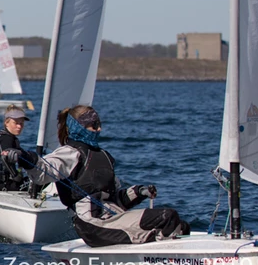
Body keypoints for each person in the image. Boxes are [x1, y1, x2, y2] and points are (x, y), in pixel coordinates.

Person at [28, 105, 190, 247]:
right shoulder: (69, 153)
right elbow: (42, 172)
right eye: (93, 125)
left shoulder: (104, 156)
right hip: (93, 225)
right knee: (166, 216)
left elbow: (116, 200)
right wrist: (26, 158)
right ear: (78, 127)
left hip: (112, 219)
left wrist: (139, 192)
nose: (99, 129)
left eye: (99, 124)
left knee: (181, 226)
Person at [0, 106, 39, 191]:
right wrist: (16, 176)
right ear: (6, 123)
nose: (19, 126)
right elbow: (5, 157)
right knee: (42, 179)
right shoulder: (6, 139)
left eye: (21, 123)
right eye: (16, 123)